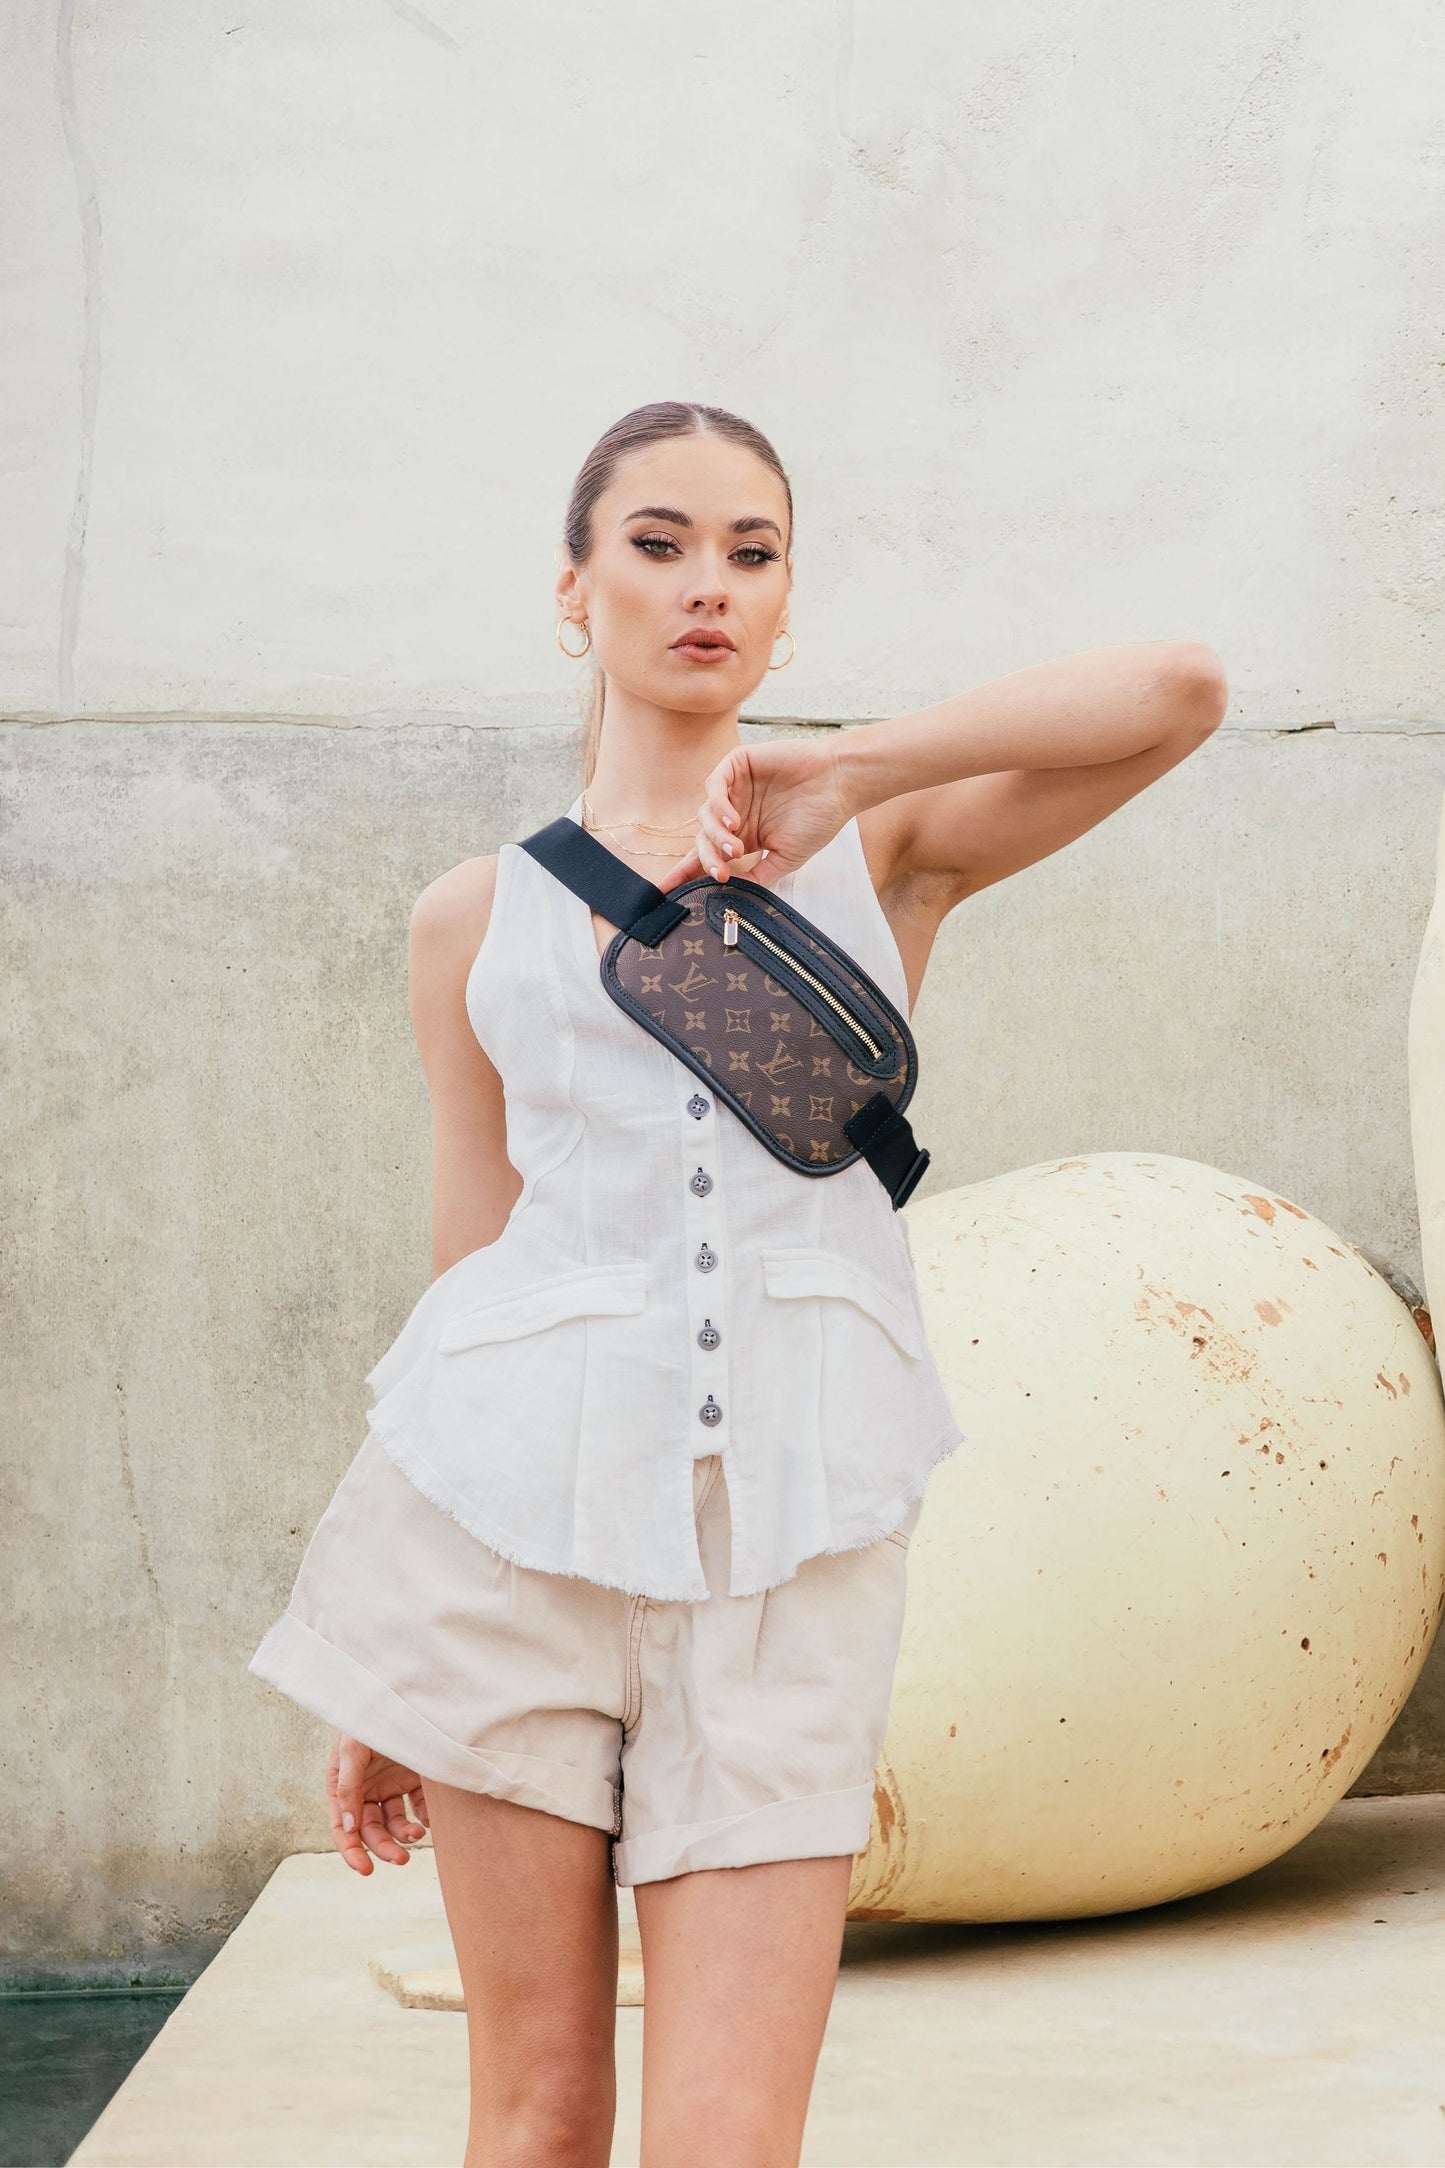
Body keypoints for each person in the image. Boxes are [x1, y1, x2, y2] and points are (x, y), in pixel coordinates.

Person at [249, 399, 1227, 2167]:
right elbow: (472, 1272)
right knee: (537, 2119)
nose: (706, 582)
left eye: (750, 553)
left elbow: (1179, 689)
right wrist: (384, 1671)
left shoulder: (877, 850)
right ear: (574, 588)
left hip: (786, 1551)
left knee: (727, 2140)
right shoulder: (470, 919)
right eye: (658, 543)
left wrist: (846, 767)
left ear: (784, 607)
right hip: (505, 1557)